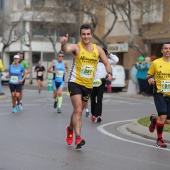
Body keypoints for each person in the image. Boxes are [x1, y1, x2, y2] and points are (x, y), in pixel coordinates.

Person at [59, 24, 112, 149]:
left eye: (88, 34)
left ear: (92, 35)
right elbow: (66, 49)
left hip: (88, 85)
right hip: (75, 82)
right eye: (84, 34)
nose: (86, 36)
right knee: (78, 110)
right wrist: (63, 43)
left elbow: (106, 63)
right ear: (80, 35)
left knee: (78, 111)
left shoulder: (97, 49)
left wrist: (109, 73)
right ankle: (78, 138)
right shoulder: (76, 47)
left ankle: (70, 128)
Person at [147, 42, 170, 148]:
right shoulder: (156, 62)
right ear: (162, 51)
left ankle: (154, 120)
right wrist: (150, 79)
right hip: (159, 93)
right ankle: (159, 140)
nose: (168, 50)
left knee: (167, 121)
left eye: (169, 48)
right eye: (165, 48)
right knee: (163, 115)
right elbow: (149, 74)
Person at [91, 48, 119, 123]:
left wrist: (110, 53)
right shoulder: (94, 61)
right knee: (93, 98)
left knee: (99, 98)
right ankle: (93, 114)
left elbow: (116, 60)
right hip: (92, 81)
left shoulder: (107, 61)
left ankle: (99, 115)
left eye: (103, 54)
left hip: (101, 81)